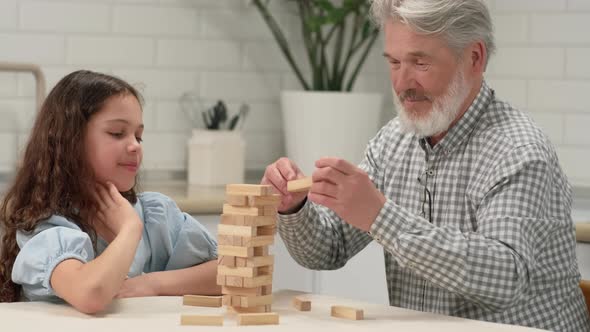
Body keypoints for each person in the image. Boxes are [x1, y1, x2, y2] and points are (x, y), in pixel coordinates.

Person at [262, 0, 590, 330]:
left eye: (420, 63)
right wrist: (295, 209)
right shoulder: (393, 141)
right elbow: (328, 249)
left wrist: (379, 215)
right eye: (393, 62)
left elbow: (505, 277)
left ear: (474, 58)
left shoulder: (518, 150)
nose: (403, 82)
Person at [0, 70, 220, 314]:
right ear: (70, 141)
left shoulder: (156, 215)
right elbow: (91, 294)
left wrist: (151, 284)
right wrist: (129, 230)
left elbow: (231, 272)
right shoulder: (47, 229)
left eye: (139, 136)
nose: (135, 145)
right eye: (117, 133)